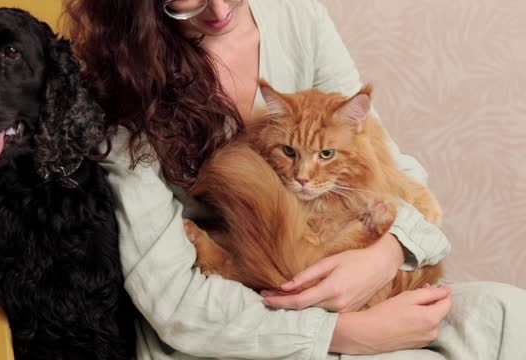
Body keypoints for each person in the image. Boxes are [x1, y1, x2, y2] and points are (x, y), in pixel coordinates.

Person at [62, 0, 526, 358]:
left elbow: (392, 170)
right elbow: (173, 303)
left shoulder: (296, 15)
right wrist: (345, 334)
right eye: (189, 1)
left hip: (356, 277)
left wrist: (389, 253)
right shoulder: (121, 87)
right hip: (238, 322)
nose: (221, 11)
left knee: (510, 314)